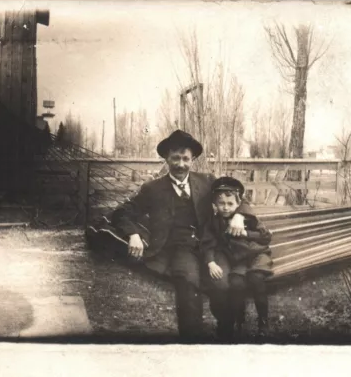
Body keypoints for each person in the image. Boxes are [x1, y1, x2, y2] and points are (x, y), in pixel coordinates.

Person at [110, 130, 255, 342]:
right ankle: (191, 342)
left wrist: (239, 216)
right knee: (188, 283)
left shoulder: (206, 181)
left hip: (211, 247)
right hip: (179, 249)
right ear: (167, 159)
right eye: (175, 158)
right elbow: (122, 212)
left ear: (193, 160)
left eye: (185, 159)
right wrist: (133, 234)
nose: (180, 164)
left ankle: (226, 332)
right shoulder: (152, 188)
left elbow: (239, 200)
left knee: (223, 284)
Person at [203, 176, 274, 339]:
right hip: (239, 260)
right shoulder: (214, 223)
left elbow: (266, 237)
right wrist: (211, 262)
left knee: (256, 279)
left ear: (238, 204)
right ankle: (238, 320)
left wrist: (246, 233)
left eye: (230, 204)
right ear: (215, 204)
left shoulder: (248, 219)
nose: (226, 208)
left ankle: (263, 322)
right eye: (221, 204)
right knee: (236, 283)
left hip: (258, 255)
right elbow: (207, 243)